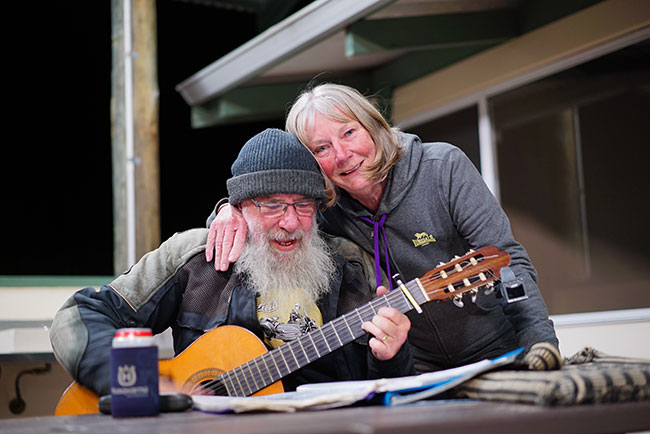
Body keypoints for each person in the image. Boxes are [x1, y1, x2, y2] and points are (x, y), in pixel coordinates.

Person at [206, 83, 560, 374]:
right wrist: (227, 210)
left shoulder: (443, 169)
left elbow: (508, 260)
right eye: (322, 148)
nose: (343, 155)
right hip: (415, 367)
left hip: (495, 348)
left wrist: (540, 342)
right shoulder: (324, 209)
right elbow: (260, 220)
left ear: (373, 126)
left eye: (349, 132)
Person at [50, 128, 413, 397]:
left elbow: (388, 391)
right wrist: (137, 381)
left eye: (303, 205)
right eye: (271, 204)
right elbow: (77, 317)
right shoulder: (194, 257)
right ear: (237, 207)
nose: (289, 222)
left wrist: (391, 356)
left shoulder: (351, 267)